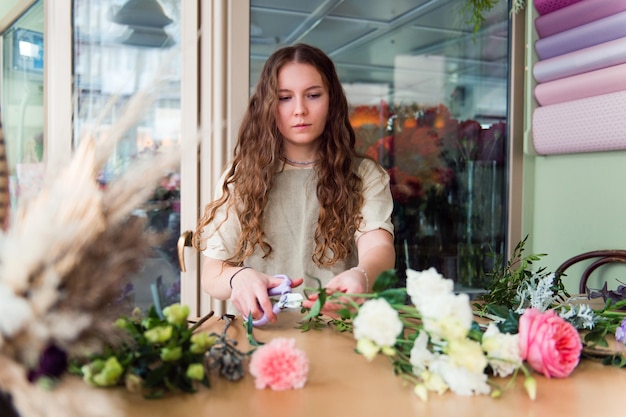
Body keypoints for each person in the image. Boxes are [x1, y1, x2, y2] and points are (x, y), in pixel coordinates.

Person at [194, 43, 395, 323]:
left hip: (340, 331)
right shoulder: (243, 175)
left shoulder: (364, 175)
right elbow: (212, 273)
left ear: (331, 100)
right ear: (267, 105)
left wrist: (362, 275)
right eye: (284, 98)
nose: (299, 110)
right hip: (266, 333)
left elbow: (379, 248)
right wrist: (238, 277)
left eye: (313, 95)